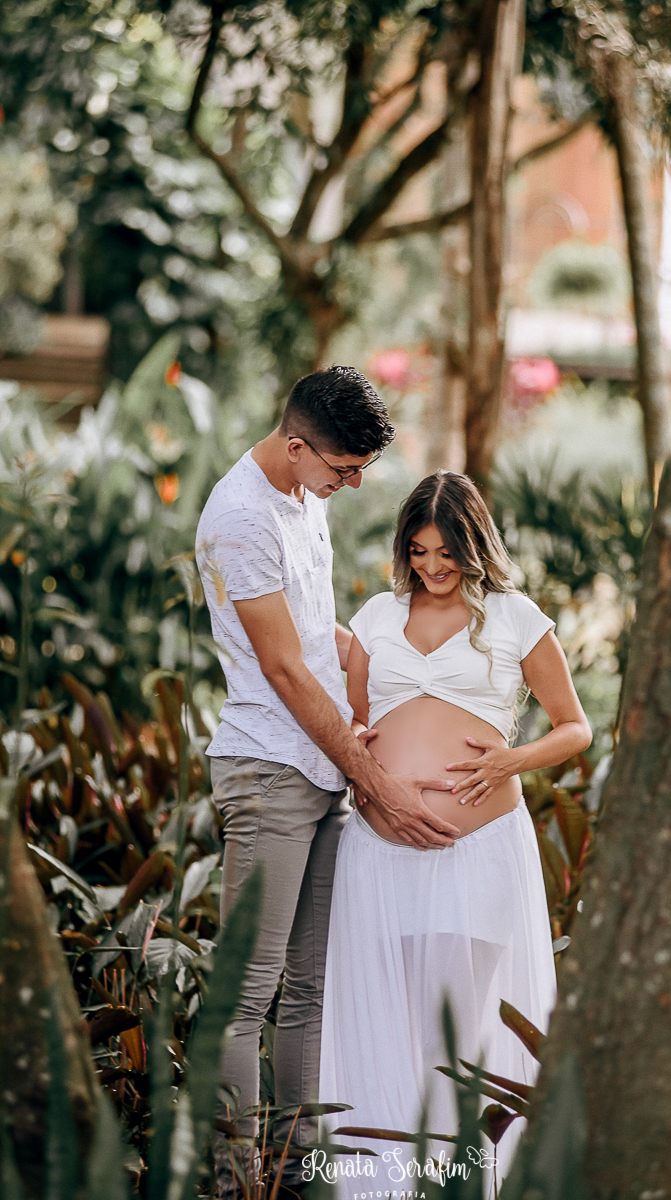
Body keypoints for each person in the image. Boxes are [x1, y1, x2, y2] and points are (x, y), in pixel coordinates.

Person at [195, 369, 460, 1198]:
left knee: (308, 989)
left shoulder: (302, 501)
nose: (350, 487)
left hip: (317, 770)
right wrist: (371, 775)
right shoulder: (240, 517)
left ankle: (301, 1168)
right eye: (342, 469)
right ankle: (237, 1179)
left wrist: (384, 658)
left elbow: (310, 634)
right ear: (297, 444)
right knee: (246, 997)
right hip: (270, 769)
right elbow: (278, 665)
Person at [319, 471, 593, 1193]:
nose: (432, 568)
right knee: (389, 1021)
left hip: (478, 851)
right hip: (377, 855)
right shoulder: (377, 615)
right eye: (417, 551)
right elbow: (354, 724)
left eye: (447, 553)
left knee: (457, 1030)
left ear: (475, 547)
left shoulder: (513, 617)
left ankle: (456, 1180)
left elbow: (575, 727)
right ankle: (386, 1183)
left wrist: (511, 757)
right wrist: (376, 780)